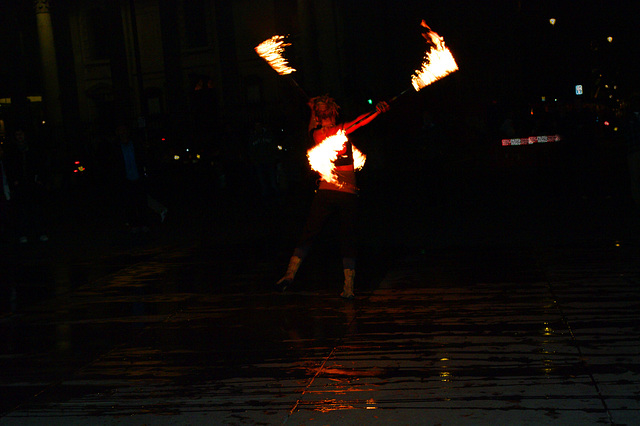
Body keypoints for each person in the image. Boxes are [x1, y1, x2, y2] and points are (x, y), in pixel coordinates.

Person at [276, 95, 389, 299]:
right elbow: (360, 121)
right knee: (348, 237)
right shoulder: (340, 130)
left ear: (319, 116)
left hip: (326, 192)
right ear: (333, 111)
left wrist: (312, 109)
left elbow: (312, 125)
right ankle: (348, 287)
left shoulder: (316, 133)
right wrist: (377, 111)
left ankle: (289, 274)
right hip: (346, 193)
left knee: (310, 232)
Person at [3, 128, 50, 243]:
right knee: (22, 211)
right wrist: (14, 181)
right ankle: (24, 233)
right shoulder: (13, 151)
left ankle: (39, 232)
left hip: (32, 183)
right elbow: (9, 168)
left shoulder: (32, 150)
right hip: (21, 185)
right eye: (17, 134)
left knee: (36, 209)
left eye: (21, 134)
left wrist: (39, 179)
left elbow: (40, 164)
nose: (19, 137)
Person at [111, 123, 150, 233]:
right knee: (130, 203)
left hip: (138, 176)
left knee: (141, 201)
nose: (122, 132)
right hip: (126, 178)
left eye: (124, 130)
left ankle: (144, 223)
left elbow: (142, 158)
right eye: (120, 130)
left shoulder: (135, 144)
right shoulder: (116, 147)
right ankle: (134, 224)